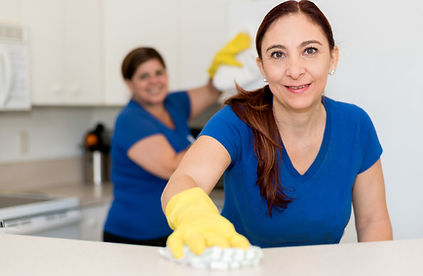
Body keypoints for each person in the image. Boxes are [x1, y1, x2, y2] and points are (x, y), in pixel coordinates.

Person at [161, 0, 393, 259]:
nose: (294, 71)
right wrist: (194, 214)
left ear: (333, 57)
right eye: (278, 54)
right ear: (262, 67)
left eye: (310, 50)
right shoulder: (236, 122)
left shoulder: (355, 125)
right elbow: (183, 181)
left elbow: (373, 221)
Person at [103, 34, 251, 247]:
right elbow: (172, 167)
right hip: (135, 236)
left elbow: (211, 91)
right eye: (144, 76)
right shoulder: (131, 120)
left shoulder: (173, 103)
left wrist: (223, 70)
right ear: (129, 84)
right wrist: (220, 143)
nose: (154, 81)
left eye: (158, 73)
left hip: (173, 229)